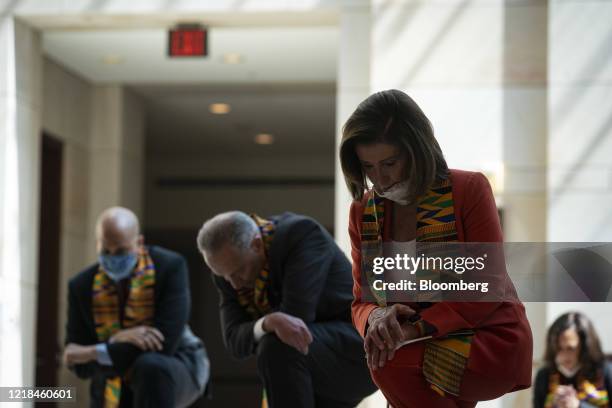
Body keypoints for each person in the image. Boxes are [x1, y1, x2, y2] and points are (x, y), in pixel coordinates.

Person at [339, 89, 533, 407]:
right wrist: (376, 318)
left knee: (389, 363)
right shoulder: (362, 211)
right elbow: (361, 302)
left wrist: (416, 329)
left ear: (417, 150)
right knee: (390, 361)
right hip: (415, 348)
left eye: (389, 162)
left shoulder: (469, 189)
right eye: (368, 166)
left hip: (488, 338)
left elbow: (488, 285)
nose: (379, 178)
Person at [197, 211, 377, 408]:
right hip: (305, 363)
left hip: (358, 354)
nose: (235, 285)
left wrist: (271, 324)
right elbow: (234, 341)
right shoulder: (228, 271)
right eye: (224, 276)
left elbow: (296, 320)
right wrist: (266, 323)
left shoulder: (300, 235)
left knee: (277, 344)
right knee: (276, 343)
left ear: (256, 244)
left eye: (239, 271)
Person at [64, 206, 209, 408]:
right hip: (113, 380)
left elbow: (163, 345)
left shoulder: (169, 267)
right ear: (98, 244)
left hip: (174, 365)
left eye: (121, 251)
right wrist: (116, 338)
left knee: (149, 366)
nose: (113, 257)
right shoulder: (81, 286)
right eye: (106, 250)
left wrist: (93, 350)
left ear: (139, 242)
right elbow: (80, 367)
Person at [534, 312, 611, 408]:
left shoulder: (605, 371)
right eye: (559, 348)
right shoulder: (544, 375)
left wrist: (578, 405)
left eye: (570, 348)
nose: (564, 355)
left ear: (585, 347)